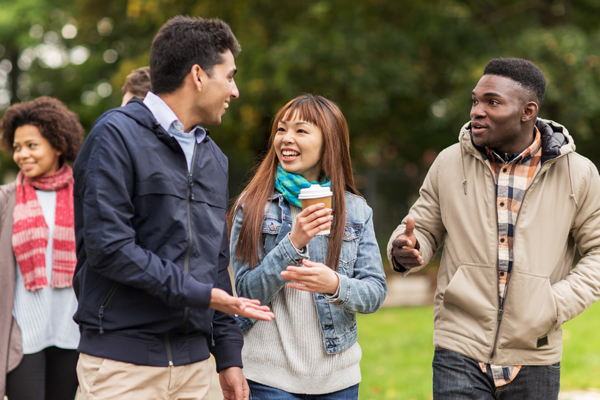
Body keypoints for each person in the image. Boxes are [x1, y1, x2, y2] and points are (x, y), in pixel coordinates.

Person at [72, 16, 274, 400]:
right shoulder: (115, 136)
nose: (235, 91)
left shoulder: (214, 158)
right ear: (198, 75)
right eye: (229, 76)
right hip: (122, 368)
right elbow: (110, 249)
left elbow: (215, 264)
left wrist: (228, 356)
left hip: (196, 370)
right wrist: (200, 294)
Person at [388, 58, 600, 399]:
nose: (477, 111)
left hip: (536, 353)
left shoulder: (579, 174)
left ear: (527, 111)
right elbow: (422, 229)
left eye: (492, 102)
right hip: (459, 348)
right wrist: (407, 249)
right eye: (475, 101)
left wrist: (554, 304)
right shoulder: (448, 163)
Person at [229, 94, 388, 399]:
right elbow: (247, 293)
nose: (286, 139)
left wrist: (335, 285)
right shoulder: (252, 206)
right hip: (267, 377)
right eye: (281, 129)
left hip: (337, 381)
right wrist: (293, 243)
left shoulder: (355, 210)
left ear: (329, 141)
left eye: (301, 131)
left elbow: (375, 291)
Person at [0, 96, 84, 400]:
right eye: (17, 147)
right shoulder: (6, 199)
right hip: (23, 338)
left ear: (58, 145)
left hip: (69, 331)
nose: (22, 154)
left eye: (32, 145)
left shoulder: (83, 195)